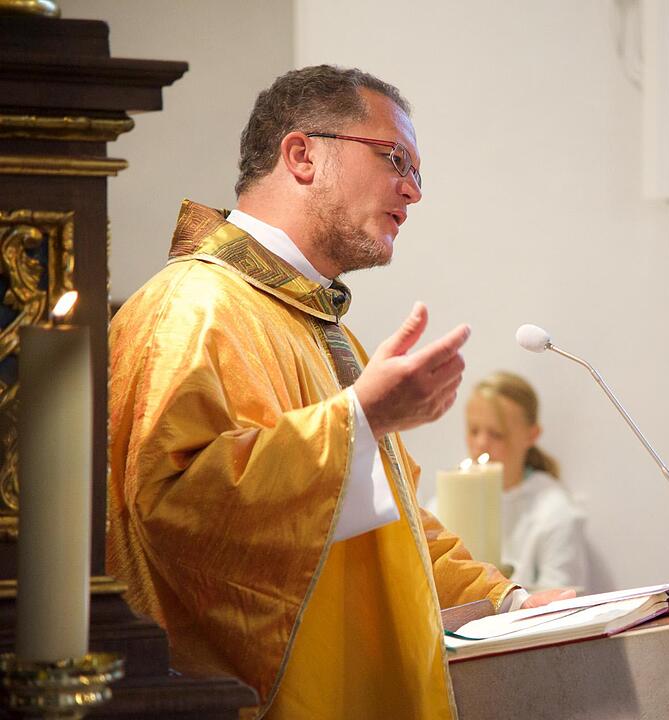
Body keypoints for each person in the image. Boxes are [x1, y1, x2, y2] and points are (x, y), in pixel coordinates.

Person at [107, 65, 569, 720]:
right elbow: (175, 513)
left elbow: (402, 524)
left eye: (416, 172)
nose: (412, 192)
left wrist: (511, 602)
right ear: (301, 154)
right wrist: (357, 419)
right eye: (394, 160)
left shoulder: (315, 324)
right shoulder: (189, 311)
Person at [464, 372, 588, 591]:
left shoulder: (554, 510)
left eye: (497, 434)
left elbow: (562, 597)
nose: (481, 443)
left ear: (531, 435)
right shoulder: (449, 500)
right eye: (474, 431)